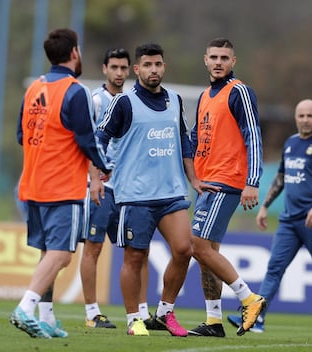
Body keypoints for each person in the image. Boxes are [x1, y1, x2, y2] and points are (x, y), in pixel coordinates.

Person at [92, 42, 219, 336]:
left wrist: (194, 179)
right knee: (135, 257)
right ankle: (134, 319)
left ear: (164, 66)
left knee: (184, 249)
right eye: (147, 65)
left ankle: (164, 313)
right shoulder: (123, 103)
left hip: (172, 192)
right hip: (135, 195)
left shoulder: (174, 100)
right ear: (137, 70)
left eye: (158, 64)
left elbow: (185, 142)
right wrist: (98, 174)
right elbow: (99, 138)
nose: (153, 70)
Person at [10, 28, 110, 339]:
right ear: (74, 53)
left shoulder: (34, 88)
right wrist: (103, 166)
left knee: (47, 252)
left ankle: (47, 317)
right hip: (62, 186)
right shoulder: (74, 90)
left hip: (33, 184)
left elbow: (20, 136)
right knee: (62, 255)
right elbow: (85, 139)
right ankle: (25, 308)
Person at [228, 99, 312, 336]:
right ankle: (257, 319)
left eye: (310, 116)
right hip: (289, 220)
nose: (305, 120)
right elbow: (281, 177)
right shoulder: (290, 144)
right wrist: (265, 206)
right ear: (296, 118)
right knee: (274, 269)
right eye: (301, 116)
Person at [188, 37, 266, 337]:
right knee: (208, 252)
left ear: (233, 62)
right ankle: (213, 321)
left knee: (198, 245)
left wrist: (252, 182)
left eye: (224, 58)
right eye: (214, 57)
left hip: (227, 181)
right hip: (206, 184)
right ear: (205, 60)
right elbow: (196, 138)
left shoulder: (239, 91)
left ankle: (250, 298)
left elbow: (253, 136)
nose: (219, 62)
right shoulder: (206, 95)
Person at [80, 47, 154, 329]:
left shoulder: (135, 101)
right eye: (115, 68)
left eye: (124, 68)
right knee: (94, 247)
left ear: (131, 70)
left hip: (130, 190)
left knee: (139, 251)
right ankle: (91, 312)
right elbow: (89, 143)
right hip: (103, 188)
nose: (120, 73)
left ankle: (143, 312)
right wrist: (94, 178)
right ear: (104, 69)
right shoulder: (96, 100)